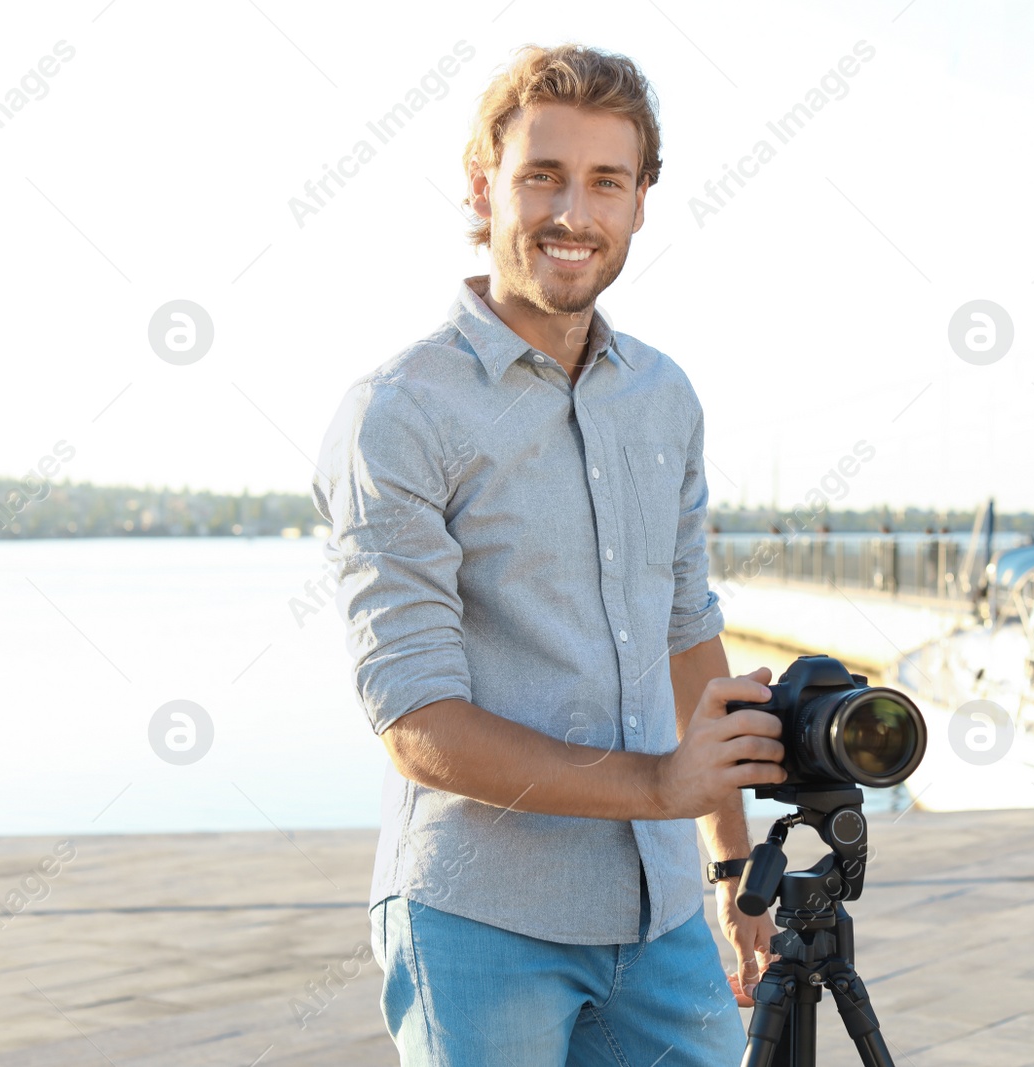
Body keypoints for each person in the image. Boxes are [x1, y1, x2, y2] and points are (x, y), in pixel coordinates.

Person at [311, 44, 786, 1066]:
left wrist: (732, 862)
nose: (574, 213)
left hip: (661, 920)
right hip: (481, 917)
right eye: (543, 176)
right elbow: (418, 724)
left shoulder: (663, 395)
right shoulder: (397, 413)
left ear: (641, 202)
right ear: (482, 186)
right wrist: (662, 780)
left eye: (605, 181)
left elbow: (687, 628)